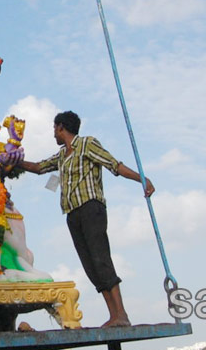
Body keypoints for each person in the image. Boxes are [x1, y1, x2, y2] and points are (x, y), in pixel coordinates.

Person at [20, 111, 155, 328]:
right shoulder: (62, 155)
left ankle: (121, 314)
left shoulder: (87, 144)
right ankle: (114, 315)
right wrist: (13, 162)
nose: (53, 133)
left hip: (91, 208)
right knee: (90, 265)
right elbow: (38, 167)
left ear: (61, 127)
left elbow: (114, 165)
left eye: (54, 129)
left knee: (101, 259)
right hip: (72, 213)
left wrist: (141, 178)